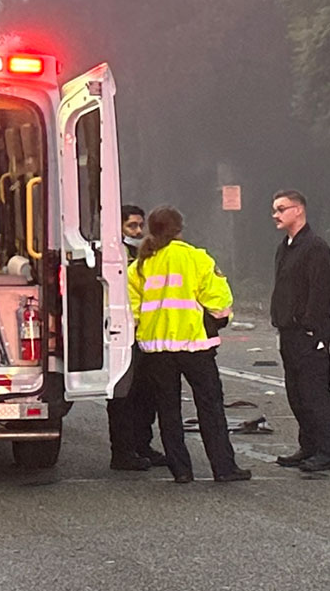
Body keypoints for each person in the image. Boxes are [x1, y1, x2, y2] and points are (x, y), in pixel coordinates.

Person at [128, 207, 251, 484]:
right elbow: (219, 303)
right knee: (210, 407)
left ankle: (181, 470)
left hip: (156, 349)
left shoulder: (140, 265)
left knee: (168, 411)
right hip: (195, 346)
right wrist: (221, 319)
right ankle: (224, 468)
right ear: (180, 228)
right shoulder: (197, 258)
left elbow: (132, 310)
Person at [270, 189, 330, 472]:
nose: (275, 214)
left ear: (298, 210)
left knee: (315, 394)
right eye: (274, 209)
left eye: (281, 208)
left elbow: (320, 291)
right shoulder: (284, 247)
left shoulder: (316, 248)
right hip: (288, 332)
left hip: (308, 334)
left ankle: (328, 452)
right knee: (296, 393)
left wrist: (312, 328)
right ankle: (308, 446)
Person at [107, 202, 161, 470]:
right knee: (123, 398)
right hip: (122, 334)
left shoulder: (147, 254)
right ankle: (123, 452)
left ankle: (143, 445)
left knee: (146, 394)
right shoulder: (112, 255)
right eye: (132, 226)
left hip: (146, 334)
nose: (138, 231)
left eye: (141, 226)